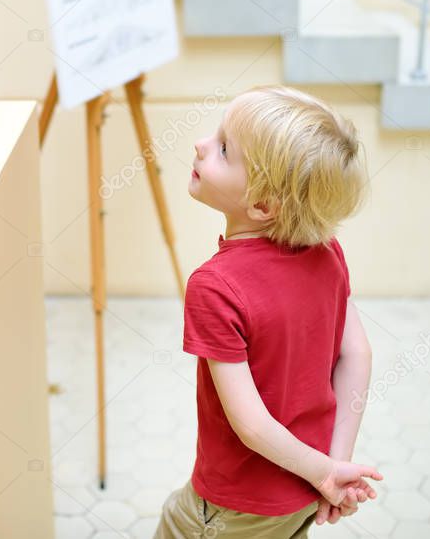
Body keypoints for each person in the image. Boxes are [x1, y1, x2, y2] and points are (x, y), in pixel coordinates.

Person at [153, 85, 378, 538]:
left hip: (236, 502)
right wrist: (333, 466)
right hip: (302, 490)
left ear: (261, 205)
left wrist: (326, 473)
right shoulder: (328, 251)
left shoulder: (215, 286)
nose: (199, 145)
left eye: (222, 150)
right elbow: (358, 356)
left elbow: (252, 425)